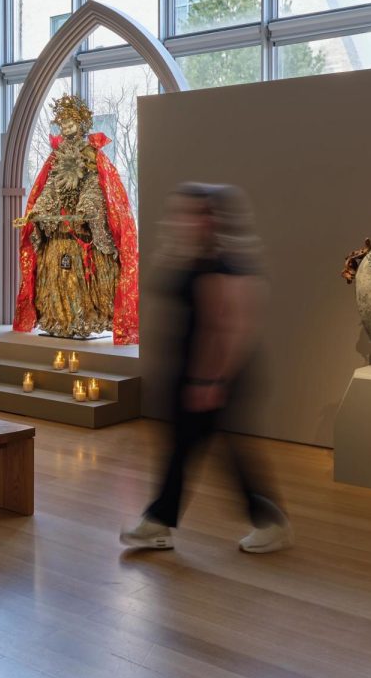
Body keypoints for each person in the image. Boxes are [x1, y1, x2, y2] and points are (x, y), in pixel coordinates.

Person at [120, 183, 292, 553]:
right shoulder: (191, 259)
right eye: (180, 212)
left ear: (211, 219)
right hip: (193, 374)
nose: (181, 220)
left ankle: (268, 519)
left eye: (192, 213)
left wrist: (210, 380)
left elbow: (230, 326)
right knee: (186, 447)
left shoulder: (223, 265)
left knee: (217, 450)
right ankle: (160, 521)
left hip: (214, 375)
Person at [14, 94, 139, 343]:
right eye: (63, 124)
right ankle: (58, 319)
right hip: (58, 232)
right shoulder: (56, 157)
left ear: (81, 124)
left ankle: (83, 318)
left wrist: (86, 208)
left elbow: (95, 184)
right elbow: (49, 187)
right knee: (55, 277)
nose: (66, 129)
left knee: (82, 280)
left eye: (70, 124)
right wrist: (38, 210)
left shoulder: (91, 155)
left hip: (82, 235)